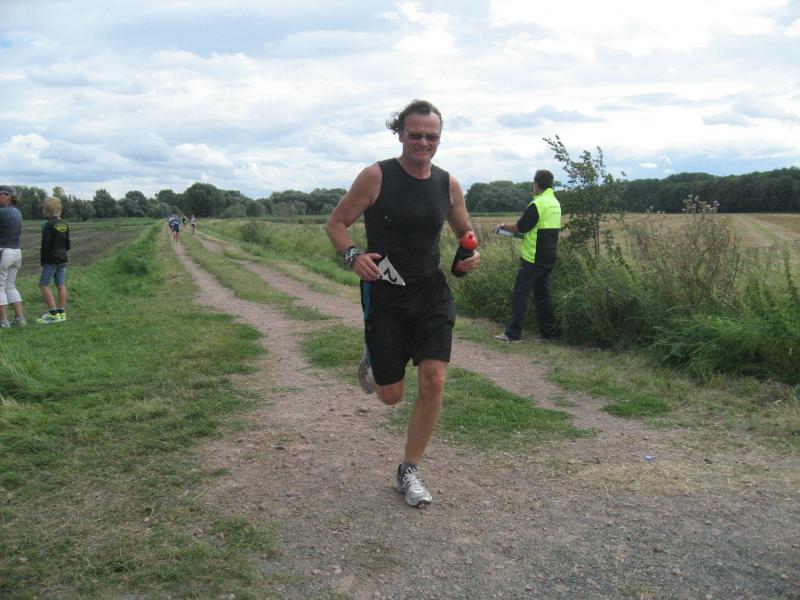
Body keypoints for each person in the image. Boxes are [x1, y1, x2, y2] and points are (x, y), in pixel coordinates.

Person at [325, 99, 480, 508]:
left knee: (434, 380)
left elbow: (465, 234)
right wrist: (353, 256)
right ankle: (375, 366)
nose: (423, 143)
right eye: (416, 135)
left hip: (431, 293)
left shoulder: (448, 184)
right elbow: (336, 223)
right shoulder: (376, 176)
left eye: (432, 137)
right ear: (400, 134)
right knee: (391, 396)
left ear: (440, 138)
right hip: (386, 294)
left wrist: (469, 256)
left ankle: (408, 470)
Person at [493, 169, 561, 342]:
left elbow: (521, 227)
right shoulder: (555, 203)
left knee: (520, 294)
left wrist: (503, 226)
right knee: (543, 295)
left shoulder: (538, 204)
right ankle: (549, 333)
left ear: (536, 184)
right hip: (549, 255)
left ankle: (513, 333)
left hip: (533, 257)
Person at [37, 197, 71, 324]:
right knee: (60, 285)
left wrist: (44, 259)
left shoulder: (48, 225)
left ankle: (53, 313)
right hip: (63, 258)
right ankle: (62, 313)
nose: (42, 211)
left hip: (51, 260)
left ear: (47, 210)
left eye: (43, 209)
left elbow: (45, 245)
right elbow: (67, 244)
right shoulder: (63, 224)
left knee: (43, 285)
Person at [0, 185, 26, 328]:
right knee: (10, 286)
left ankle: (4, 321)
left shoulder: (2, 212)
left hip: (4, 252)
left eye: (1, 194)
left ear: (8, 196)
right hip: (17, 252)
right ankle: (20, 319)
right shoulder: (18, 212)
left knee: (0, 287)